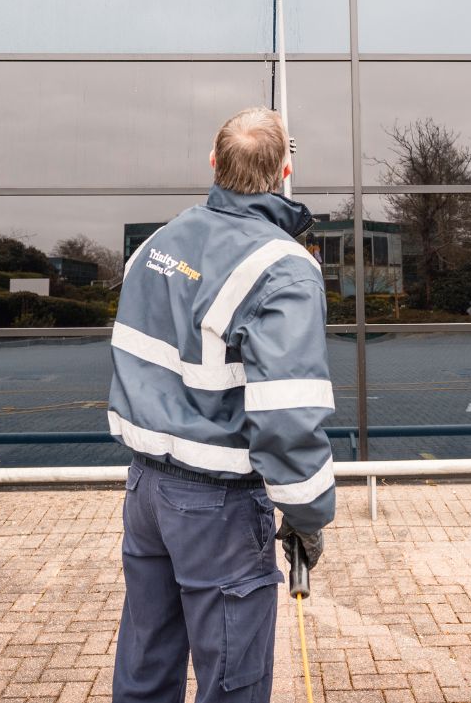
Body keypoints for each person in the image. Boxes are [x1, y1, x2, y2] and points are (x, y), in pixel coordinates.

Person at [108, 107, 335, 703]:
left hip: (145, 493)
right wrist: (308, 519)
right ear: (286, 170)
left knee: (146, 664)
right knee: (231, 680)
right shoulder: (285, 268)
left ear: (213, 163)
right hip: (219, 508)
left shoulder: (156, 246)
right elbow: (288, 417)